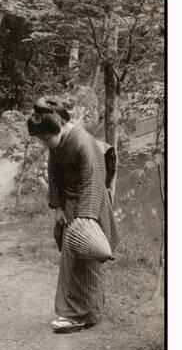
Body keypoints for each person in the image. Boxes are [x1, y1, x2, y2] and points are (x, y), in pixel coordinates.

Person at [27, 97, 119, 334]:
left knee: (86, 259)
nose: (46, 144)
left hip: (91, 204)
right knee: (71, 260)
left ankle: (84, 314)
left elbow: (94, 182)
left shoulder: (84, 144)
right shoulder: (57, 144)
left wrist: (85, 220)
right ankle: (74, 312)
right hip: (70, 204)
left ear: (56, 128)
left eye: (47, 138)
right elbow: (54, 174)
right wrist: (58, 207)